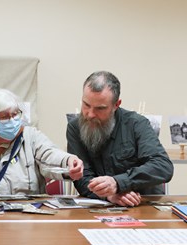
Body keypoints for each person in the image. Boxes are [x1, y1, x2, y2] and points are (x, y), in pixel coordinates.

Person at [66, 71, 174, 207]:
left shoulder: (136, 124)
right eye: (86, 105)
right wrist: (108, 194)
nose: (90, 114)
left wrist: (118, 183)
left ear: (116, 104)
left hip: (143, 205)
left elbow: (162, 166)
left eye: (100, 108)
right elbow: (82, 178)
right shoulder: (75, 127)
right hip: (101, 206)